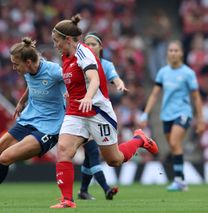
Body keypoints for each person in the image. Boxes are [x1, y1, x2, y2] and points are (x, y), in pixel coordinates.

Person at [50, 14, 158, 208]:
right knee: (64, 149)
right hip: (76, 111)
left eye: (56, 41)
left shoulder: (83, 53)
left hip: (98, 111)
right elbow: (75, 81)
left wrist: (89, 97)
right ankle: (67, 200)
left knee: (114, 160)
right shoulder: (64, 57)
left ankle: (139, 139)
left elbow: (95, 79)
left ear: (67, 39)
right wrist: (71, 94)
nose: (55, 45)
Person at [0, 37, 66, 208]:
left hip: (48, 128)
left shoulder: (54, 71)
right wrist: (22, 101)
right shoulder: (30, 70)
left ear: (28, 62)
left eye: (16, 64)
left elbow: (74, 79)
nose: (14, 68)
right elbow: (34, 83)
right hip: (28, 120)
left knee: (5, 158)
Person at [139, 40, 205, 191]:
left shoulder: (188, 73)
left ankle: (179, 180)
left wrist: (200, 119)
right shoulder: (163, 72)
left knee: (175, 142)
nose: (173, 53)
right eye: (171, 50)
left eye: (176, 50)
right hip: (166, 114)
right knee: (175, 146)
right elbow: (154, 95)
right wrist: (145, 114)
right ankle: (181, 180)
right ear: (167, 53)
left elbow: (196, 97)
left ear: (181, 53)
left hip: (183, 113)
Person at [77, 32, 128, 201]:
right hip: (79, 113)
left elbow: (115, 78)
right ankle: (106, 189)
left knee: (91, 155)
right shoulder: (77, 62)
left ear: (100, 47)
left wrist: (120, 85)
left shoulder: (105, 65)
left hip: (98, 114)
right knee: (92, 152)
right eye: (87, 44)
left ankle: (83, 191)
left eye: (93, 44)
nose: (90, 47)